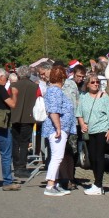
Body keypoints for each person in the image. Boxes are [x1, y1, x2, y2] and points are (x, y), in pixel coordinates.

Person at [76, 72, 109, 195]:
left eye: (97, 82)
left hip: (101, 129)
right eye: (92, 82)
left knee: (99, 156)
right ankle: (97, 183)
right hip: (89, 131)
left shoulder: (104, 97)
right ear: (87, 84)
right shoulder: (83, 97)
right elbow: (79, 113)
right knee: (92, 157)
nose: (95, 84)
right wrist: (82, 124)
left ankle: (98, 184)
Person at [41, 64, 76, 197]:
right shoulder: (55, 91)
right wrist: (58, 128)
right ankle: (50, 185)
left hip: (59, 128)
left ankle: (54, 184)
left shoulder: (54, 90)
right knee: (57, 156)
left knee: (57, 156)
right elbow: (54, 111)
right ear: (63, 78)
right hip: (56, 129)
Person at [9, 65, 39, 178]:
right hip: (29, 118)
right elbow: (39, 100)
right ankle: (22, 167)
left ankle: (16, 166)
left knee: (15, 143)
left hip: (15, 117)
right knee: (24, 143)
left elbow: (7, 100)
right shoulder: (35, 86)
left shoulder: (13, 85)